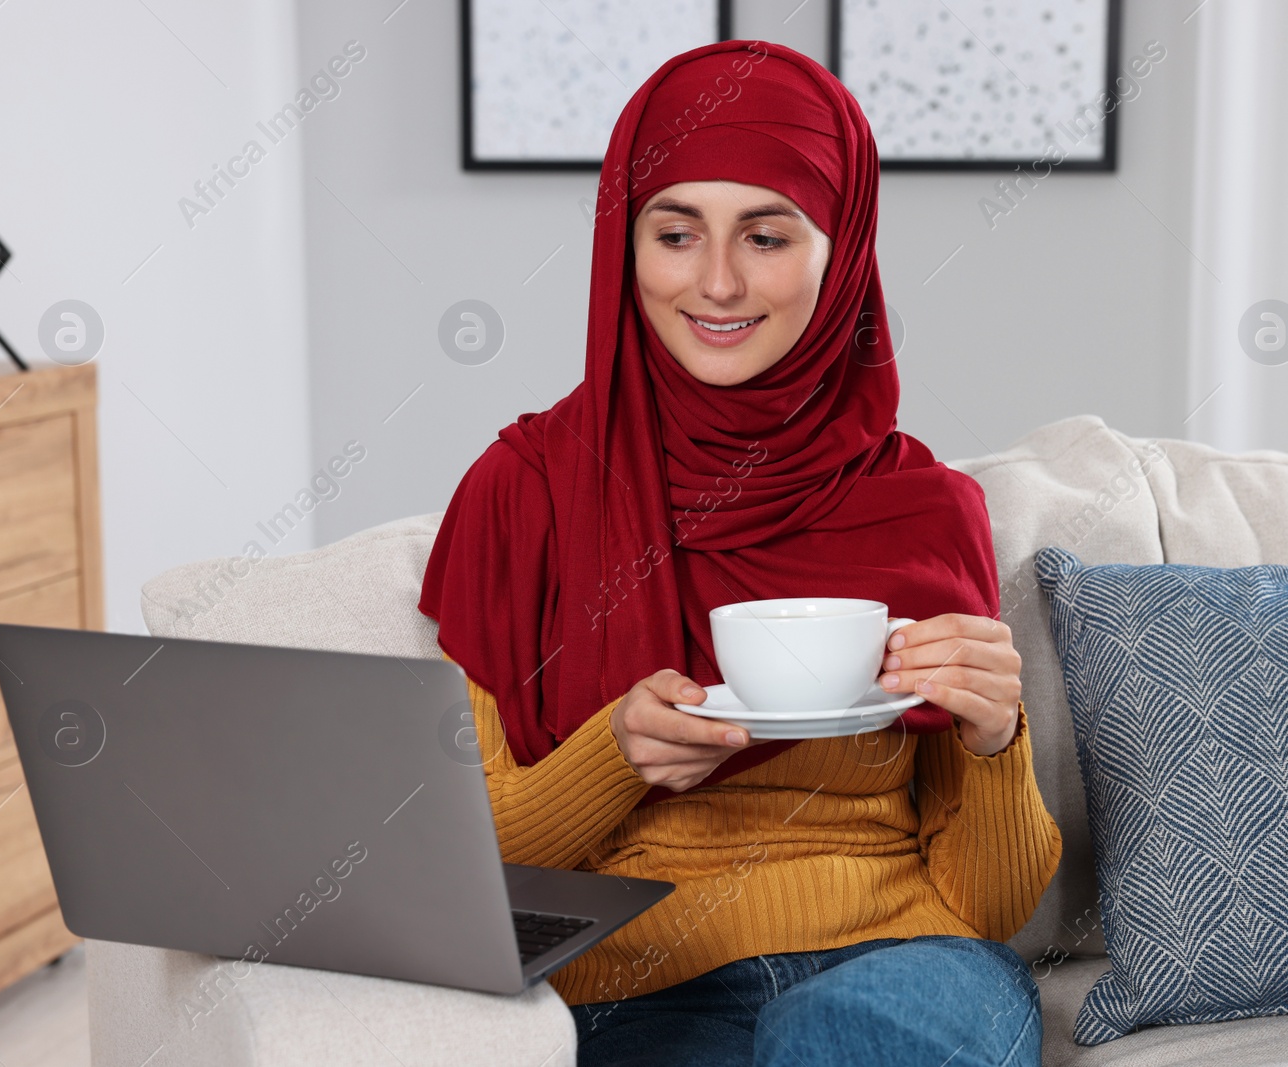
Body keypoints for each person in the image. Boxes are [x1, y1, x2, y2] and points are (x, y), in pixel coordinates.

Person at [419, 38, 1061, 1067]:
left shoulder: (922, 507)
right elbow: (468, 861)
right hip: (641, 987)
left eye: (765, 236)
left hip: (905, 965)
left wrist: (995, 741)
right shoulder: (526, 489)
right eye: (675, 233)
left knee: (842, 1036)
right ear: (625, 245)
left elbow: (988, 904)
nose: (716, 283)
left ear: (839, 247)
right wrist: (612, 756)